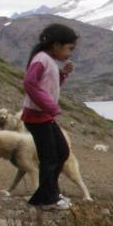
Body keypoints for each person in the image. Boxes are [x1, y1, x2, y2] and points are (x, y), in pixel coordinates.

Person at [21, 23, 78, 210]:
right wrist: (50, 106)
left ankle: (44, 195)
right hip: (37, 116)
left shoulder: (48, 60)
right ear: (56, 45)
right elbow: (29, 82)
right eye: (69, 48)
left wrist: (63, 75)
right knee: (50, 157)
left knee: (61, 152)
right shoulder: (41, 59)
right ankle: (49, 199)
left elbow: (48, 84)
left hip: (43, 116)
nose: (70, 53)